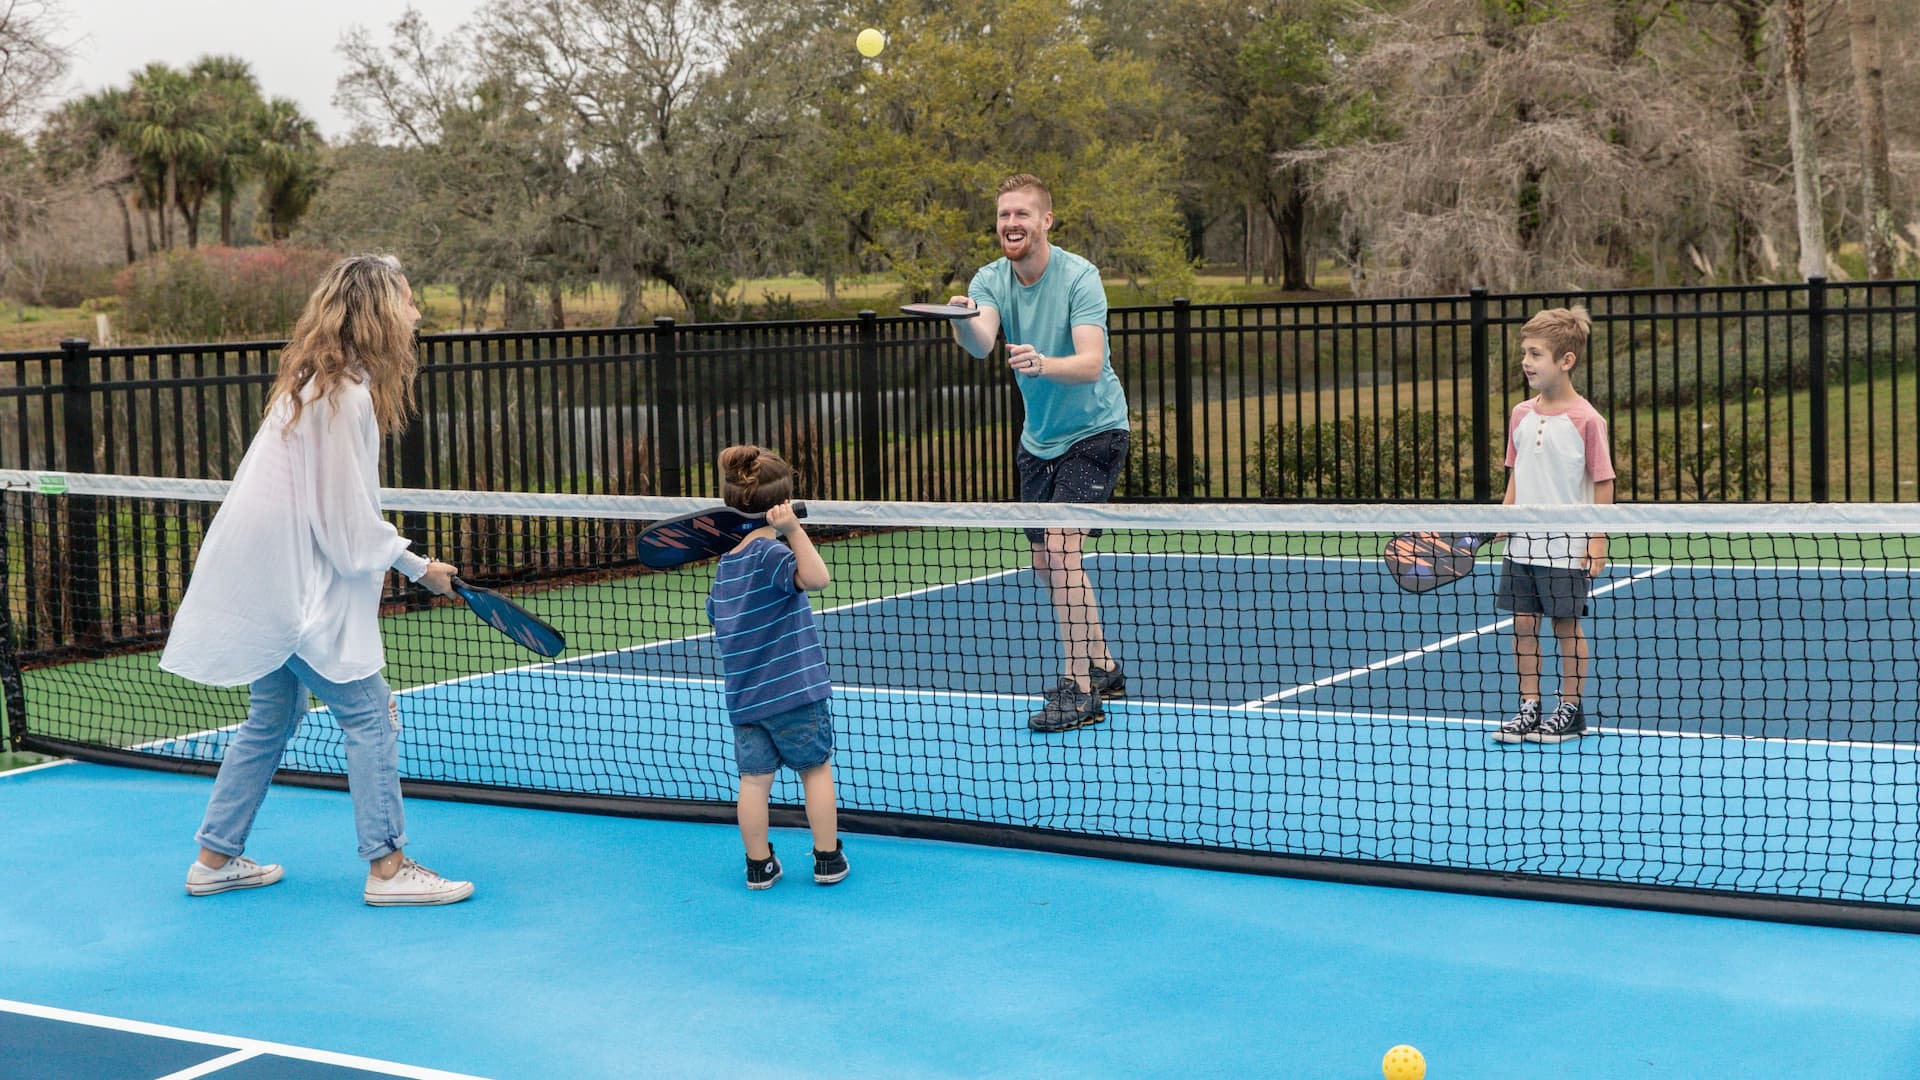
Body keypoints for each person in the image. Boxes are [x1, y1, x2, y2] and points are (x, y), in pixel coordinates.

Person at [161, 254, 474, 906]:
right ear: (380, 312)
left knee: (274, 715)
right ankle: (388, 868)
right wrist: (419, 567)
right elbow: (345, 525)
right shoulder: (343, 399)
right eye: (407, 300)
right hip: (292, 591)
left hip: (268, 581)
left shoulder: (309, 387)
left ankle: (215, 857)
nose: (417, 312)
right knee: (371, 717)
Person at [946, 173, 1132, 734]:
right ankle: (1104, 667)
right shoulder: (989, 279)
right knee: (1045, 562)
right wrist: (961, 322)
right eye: (1004, 215)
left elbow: (1091, 364)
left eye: (1021, 214)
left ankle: (1079, 690)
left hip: (1097, 431)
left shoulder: (1080, 276)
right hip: (1038, 441)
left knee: (1061, 547)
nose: (1011, 223)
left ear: (1045, 221)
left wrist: (1044, 364)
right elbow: (981, 343)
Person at [706, 444, 848, 890]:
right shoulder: (771, 557)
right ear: (783, 503)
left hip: (746, 701)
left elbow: (715, 614)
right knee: (816, 770)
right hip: (794, 696)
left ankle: (759, 865)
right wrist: (794, 531)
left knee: (753, 783)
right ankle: (827, 858)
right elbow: (818, 578)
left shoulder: (727, 566)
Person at [1492, 306, 1615, 745]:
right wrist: (1505, 516)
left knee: (1565, 625)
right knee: (1524, 623)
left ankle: (1570, 709)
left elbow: (1603, 482)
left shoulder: (1588, 420)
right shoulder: (1520, 414)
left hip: (1566, 547)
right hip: (1522, 546)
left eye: (1536, 354)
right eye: (1525, 352)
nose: (1526, 361)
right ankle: (1529, 706)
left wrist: (1597, 540)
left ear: (1566, 361)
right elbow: (1516, 473)